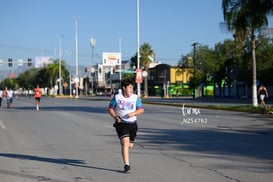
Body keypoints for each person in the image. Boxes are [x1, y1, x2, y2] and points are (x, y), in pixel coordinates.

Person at [108, 78, 144, 173]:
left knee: (130, 145)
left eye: (132, 88)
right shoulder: (117, 97)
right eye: (130, 87)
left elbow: (141, 109)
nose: (132, 90)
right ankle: (126, 165)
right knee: (125, 143)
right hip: (121, 123)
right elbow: (110, 108)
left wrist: (134, 113)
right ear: (124, 88)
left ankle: (126, 148)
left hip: (133, 124)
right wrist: (115, 116)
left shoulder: (135, 98)